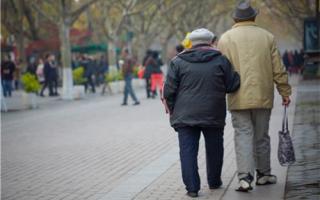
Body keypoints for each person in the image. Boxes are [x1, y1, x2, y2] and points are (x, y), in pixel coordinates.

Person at [217, 1, 291, 192]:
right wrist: (285, 91)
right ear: (254, 17)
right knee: (262, 136)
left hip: (237, 96)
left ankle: (244, 177)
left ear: (235, 18)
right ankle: (264, 174)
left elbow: (221, 70)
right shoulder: (267, 37)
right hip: (263, 95)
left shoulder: (225, 39)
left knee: (242, 135)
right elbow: (278, 68)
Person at [163, 28, 240, 198]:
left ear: (191, 42)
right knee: (215, 148)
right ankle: (214, 181)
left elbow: (168, 90)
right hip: (213, 112)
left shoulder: (177, 62)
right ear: (211, 41)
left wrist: (174, 111)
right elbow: (232, 85)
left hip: (184, 115)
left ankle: (192, 188)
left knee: (187, 151)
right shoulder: (221, 60)